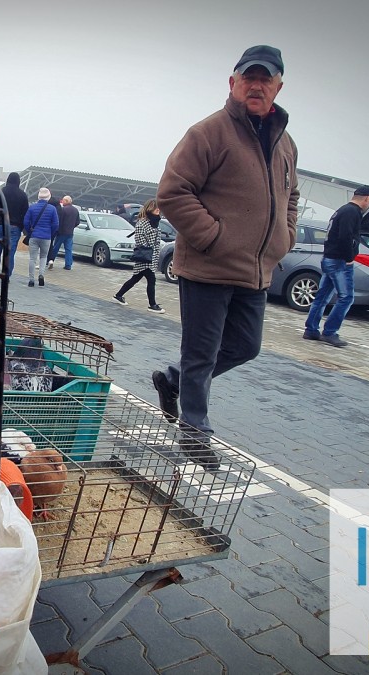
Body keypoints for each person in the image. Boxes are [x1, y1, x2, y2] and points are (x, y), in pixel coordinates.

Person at [151, 44, 299, 454]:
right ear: (233, 82)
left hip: (256, 270)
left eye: (265, 79)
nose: (256, 86)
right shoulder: (208, 133)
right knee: (201, 354)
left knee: (246, 346)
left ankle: (173, 380)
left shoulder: (286, 144)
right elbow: (173, 192)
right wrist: (214, 238)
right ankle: (195, 434)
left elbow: (291, 196)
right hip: (208, 267)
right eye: (249, 78)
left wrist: (284, 237)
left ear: (278, 87)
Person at [302, 186, 369, 347]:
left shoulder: (342, 210)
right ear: (367, 198)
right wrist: (349, 257)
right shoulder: (352, 212)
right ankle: (330, 332)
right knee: (346, 297)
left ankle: (311, 329)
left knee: (322, 296)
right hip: (339, 261)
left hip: (329, 258)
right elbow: (345, 236)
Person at [113, 199, 165, 313]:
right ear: (149, 208)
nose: (158, 210)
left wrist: (155, 253)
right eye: (155, 208)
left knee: (135, 278)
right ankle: (152, 305)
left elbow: (157, 240)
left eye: (158, 208)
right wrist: (149, 250)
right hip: (144, 256)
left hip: (151, 256)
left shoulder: (155, 222)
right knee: (151, 280)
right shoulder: (142, 223)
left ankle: (118, 295)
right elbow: (140, 239)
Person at [0, 171, 30, 276]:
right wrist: (21, 227)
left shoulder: (0, 192)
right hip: (15, 227)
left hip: (0, 225)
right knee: (10, 252)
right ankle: (7, 274)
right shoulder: (23, 195)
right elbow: (25, 213)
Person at [23, 187, 59, 287]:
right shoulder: (52, 209)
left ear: (38, 196)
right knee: (43, 257)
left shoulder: (32, 207)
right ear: (48, 197)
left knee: (32, 259)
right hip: (46, 237)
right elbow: (56, 224)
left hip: (34, 236)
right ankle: (41, 275)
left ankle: (31, 280)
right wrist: (50, 233)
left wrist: (29, 231)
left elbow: (26, 221)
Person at [47, 195, 79, 270]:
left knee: (55, 248)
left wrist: (57, 230)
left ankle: (50, 261)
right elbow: (77, 222)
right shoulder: (75, 210)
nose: (62, 201)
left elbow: (59, 220)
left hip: (61, 232)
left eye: (63, 200)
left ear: (67, 201)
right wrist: (71, 227)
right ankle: (68, 265)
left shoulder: (63, 210)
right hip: (70, 233)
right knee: (68, 249)